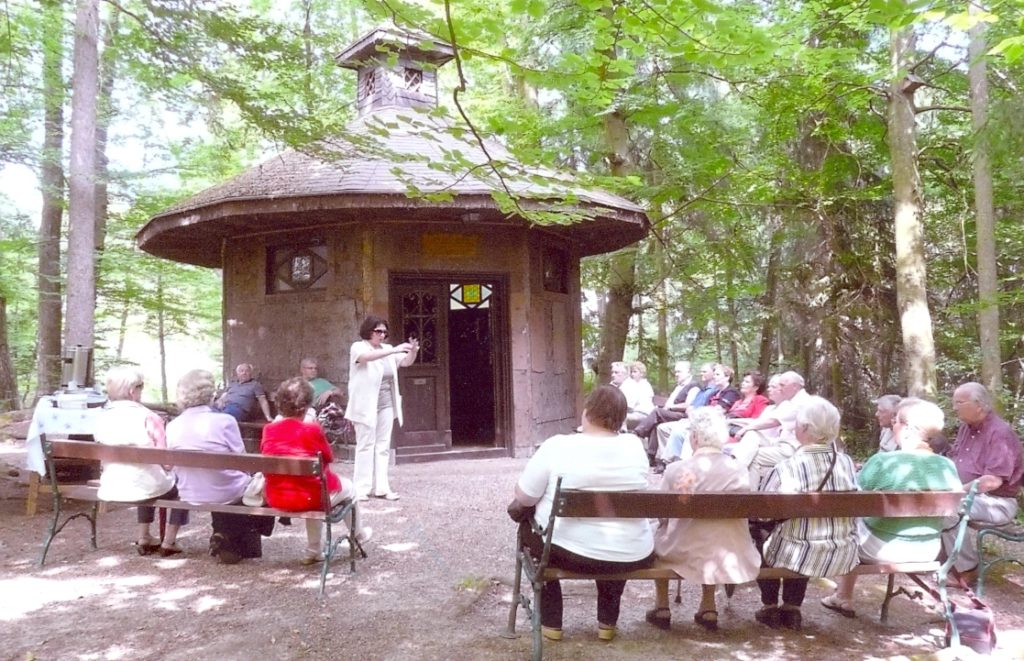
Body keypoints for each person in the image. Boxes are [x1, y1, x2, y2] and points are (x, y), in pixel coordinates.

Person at [512, 385, 655, 643]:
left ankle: (552, 622)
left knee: (528, 529)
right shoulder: (635, 446)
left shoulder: (557, 445)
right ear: (621, 419)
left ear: (587, 412)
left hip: (571, 554)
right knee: (611, 537)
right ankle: (607, 623)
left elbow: (525, 497)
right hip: (630, 554)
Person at [821, 398, 961, 617]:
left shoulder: (883, 462)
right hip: (928, 548)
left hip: (881, 549)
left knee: (850, 522)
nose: (893, 426)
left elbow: (852, 496)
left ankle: (843, 595)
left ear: (906, 429)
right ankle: (843, 595)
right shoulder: (947, 466)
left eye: (895, 421)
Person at [646, 407, 761, 632]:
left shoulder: (676, 470)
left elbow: (662, 517)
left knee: (657, 533)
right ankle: (708, 606)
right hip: (728, 549)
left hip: (683, 549)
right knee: (713, 535)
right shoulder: (738, 469)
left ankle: (662, 605)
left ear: (695, 437)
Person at [755, 395, 858, 631]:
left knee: (761, 533)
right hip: (840, 551)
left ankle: (770, 606)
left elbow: (762, 513)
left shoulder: (786, 467)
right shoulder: (845, 463)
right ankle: (792, 609)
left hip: (799, 553)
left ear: (803, 428)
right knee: (801, 531)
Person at [167, 369, 275, 563]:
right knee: (246, 485)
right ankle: (231, 540)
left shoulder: (173, 425)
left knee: (227, 482)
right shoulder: (224, 421)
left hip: (189, 491)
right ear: (211, 394)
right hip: (226, 491)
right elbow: (242, 461)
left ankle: (223, 536)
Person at [262, 377, 371, 565]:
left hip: (278, 497)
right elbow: (329, 457)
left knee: (312, 491)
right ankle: (358, 534)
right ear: (306, 406)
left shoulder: (269, 430)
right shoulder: (311, 430)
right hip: (313, 497)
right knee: (349, 489)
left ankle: (314, 550)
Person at [93, 366, 185, 557]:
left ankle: (144, 536)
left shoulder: (101, 417)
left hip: (113, 484)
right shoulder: (149, 417)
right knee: (180, 488)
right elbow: (165, 461)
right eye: (141, 386)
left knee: (144, 475)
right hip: (145, 486)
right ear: (132, 391)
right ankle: (168, 541)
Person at [940, 382, 1024, 584]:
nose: (954, 407)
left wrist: (957, 491)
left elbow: (992, 481)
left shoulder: (999, 433)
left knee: (946, 508)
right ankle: (944, 559)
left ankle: (968, 569)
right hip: (972, 496)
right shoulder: (965, 428)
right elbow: (954, 458)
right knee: (930, 501)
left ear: (978, 405)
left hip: (997, 502)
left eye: (959, 402)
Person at [345, 315, 419, 501]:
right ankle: (361, 489)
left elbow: (405, 362)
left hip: (386, 404)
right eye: (378, 331)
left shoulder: (387, 349)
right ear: (369, 331)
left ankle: (382, 488)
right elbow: (365, 358)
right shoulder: (358, 346)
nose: (382, 335)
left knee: (383, 445)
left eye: (385, 332)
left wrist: (413, 351)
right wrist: (393, 350)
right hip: (364, 405)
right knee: (365, 445)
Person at [728, 370, 811, 487]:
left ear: (794, 386)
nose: (780, 389)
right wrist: (732, 421)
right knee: (752, 435)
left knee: (754, 457)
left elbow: (773, 421)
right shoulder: (791, 402)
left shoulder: (800, 402)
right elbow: (760, 422)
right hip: (778, 443)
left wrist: (744, 429)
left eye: (782, 385)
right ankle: (735, 470)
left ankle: (747, 494)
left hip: (793, 448)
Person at [660, 364, 739, 464]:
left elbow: (718, 411)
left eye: (717, 374)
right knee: (675, 431)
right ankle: (669, 462)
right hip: (702, 421)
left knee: (690, 433)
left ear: (727, 377)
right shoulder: (713, 393)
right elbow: (698, 408)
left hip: (716, 425)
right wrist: (696, 414)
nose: (714, 376)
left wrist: (697, 415)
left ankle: (685, 463)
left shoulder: (731, 392)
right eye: (714, 374)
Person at [634, 361, 700, 464]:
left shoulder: (694, 386)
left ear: (688, 372)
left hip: (683, 416)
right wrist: (666, 408)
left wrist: (670, 407)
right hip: (672, 413)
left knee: (656, 412)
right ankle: (652, 458)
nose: (676, 374)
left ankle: (638, 432)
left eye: (679, 372)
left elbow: (688, 404)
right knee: (657, 424)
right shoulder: (679, 386)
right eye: (676, 372)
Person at [623, 361, 656, 430]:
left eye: (635, 372)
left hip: (643, 414)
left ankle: (623, 434)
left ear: (641, 374)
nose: (632, 374)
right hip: (639, 413)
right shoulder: (641, 384)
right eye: (631, 372)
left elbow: (630, 405)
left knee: (620, 417)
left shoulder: (642, 385)